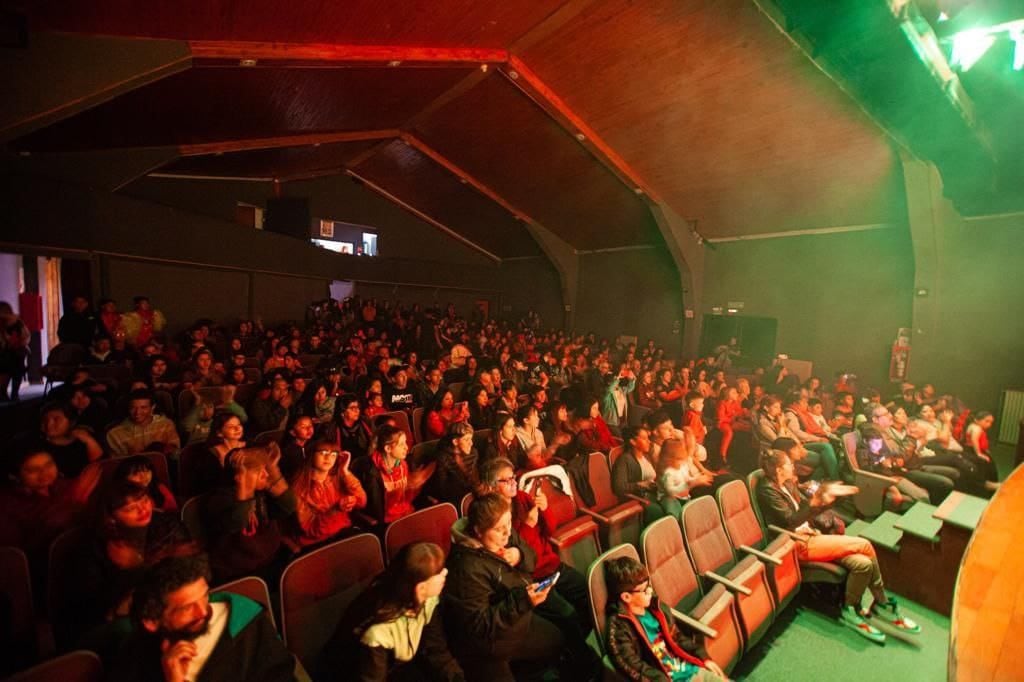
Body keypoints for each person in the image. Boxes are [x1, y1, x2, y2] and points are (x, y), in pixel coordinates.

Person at [756, 449, 919, 643]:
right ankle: (881, 602)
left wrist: (826, 497)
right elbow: (790, 520)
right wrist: (816, 502)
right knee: (865, 545)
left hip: (812, 536)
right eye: (789, 464)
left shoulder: (788, 484)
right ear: (779, 469)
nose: (793, 466)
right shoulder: (767, 490)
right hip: (797, 543)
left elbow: (809, 508)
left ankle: (850, 608)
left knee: (863, 564)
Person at [444, 493, 598, 680]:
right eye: (500, 529)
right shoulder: (466, 569)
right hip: (495, 637)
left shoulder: (504, 535)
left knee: (560, 634)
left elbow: (531, 558)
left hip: (520, 609)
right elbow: (481, 626)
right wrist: (523, 601)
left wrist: (518, 555)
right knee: (553, 643)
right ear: (478, 531)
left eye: (509, 524)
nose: (507, 533)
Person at [107, 553, 295, 682]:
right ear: (152, 622)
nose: (204, 611)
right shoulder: (136, 656)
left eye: (205, 596)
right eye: (187, 608)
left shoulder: (245, 622)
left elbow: (280, 674)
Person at [479, 457, 593, 637]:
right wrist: (528, 526)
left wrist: (545, 509)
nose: (512, 483)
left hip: (551, 564)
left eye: (513, 478)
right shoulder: (491, 515)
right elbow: (518, 554)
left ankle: (584, 640)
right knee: (567, 614)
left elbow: (549, 530)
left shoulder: (522, 498)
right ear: (492, 486)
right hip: (531, 577)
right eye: (506, 480)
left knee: (588, 593)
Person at [323, 541, 462, 681]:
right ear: (421, 588)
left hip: (395, 667)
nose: (445, 573)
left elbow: (435, 648)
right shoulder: (378, 631)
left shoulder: (424, 599)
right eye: (440, 572)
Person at [603, 556, 726, 681]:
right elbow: (634, 667)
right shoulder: (619, 627)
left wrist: (702, 656)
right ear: (626, 597)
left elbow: (678, 638)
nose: (650, 591)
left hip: (690, 670)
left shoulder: (657, 608)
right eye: (644, 590)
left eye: (649, 585)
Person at [203, 444, 298, 582]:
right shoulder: (220, 499)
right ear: (240, 476)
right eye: (259, 470)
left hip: (269, 561)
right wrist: (245, 487)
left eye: (266, 470)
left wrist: (273, 469)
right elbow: (237, 522)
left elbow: (289, 505)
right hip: (239, 572)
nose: (266, 475)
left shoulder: (262, 492)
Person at [0, 444, 101, 560]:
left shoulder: (62, 485)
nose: (45, 473)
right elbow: (14, 554)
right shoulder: (8, 504)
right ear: (14, 476)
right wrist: (74, 503)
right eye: (33, 470)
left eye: (49, 464)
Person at [289, 438, 367, 547]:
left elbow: (362, 502)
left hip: (342, 532)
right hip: (316, 543)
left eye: (333, 454)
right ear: (311, 455)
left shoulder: (339, 477)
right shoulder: (299, 487)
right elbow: (311, 529)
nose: (328, 458)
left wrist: (345, 471)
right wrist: (334, 510)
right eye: (323, 453)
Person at [352, 424, 428, 525]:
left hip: (406, 512)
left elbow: (406, 498)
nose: (406, 447)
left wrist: (415, 487)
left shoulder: (403, 464)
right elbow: (376, 510)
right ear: (388, 448)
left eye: (405, 443)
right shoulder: (372, 473)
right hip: (387, 521)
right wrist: (399, 491)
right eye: (401, 445)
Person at [37, 402, 104, 478]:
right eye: (45, 420)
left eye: (56, 419)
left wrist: (89, 441)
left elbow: (99, 464)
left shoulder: (83, 439)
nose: (49, 424)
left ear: (71, 422)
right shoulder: (40, 447)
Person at [783, 391, 840, 480]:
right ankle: (836, 479)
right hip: (798, 443)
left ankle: (812, 485)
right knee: (826, 449)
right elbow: (797, 433)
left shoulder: (803, 414)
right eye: (804, 402)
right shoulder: (790, 414)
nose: (806, 404)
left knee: (828, 454)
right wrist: (818, 439)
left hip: (806, 441)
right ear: (795, 403)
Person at [107, 389, 181, 457]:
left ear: (152, 408)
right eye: (133, 408)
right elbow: (116, 465)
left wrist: (170, 450)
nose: (137, 412)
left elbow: (177, 454)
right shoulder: (115, 434)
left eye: (143, 407)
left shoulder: (166, 424)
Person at [423, 422, 479, 508]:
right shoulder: (443, 458)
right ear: (455, 442)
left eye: (471, 439)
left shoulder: (473, 453)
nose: (471, 443)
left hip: (468, 495)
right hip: (452, 500)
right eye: (466, 439)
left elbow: (474, 478)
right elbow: (443, 490)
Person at [114, 455, 178, 513]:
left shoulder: (159, 487)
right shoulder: (122, 497)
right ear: (124, 478)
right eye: (135, 474)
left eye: (147, 471)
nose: (144, 476)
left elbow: (173, 509)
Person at [964, 410, 999, 484]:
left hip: (975, 449)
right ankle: (988, 483)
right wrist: (979, 453)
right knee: (988, 464)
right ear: (977, 420)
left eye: (991, 422)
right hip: (973, 450)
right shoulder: (977, 428)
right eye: (986, 421)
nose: (989, 424)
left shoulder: (973, 425)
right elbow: (974, 440)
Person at [338, 393, 374, 460]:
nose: (357, 410)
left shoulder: (366, 422)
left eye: (358, 407)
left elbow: (375, 441)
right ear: (342, 412)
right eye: (352, 408)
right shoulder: (334, 428)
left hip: (367, 461)